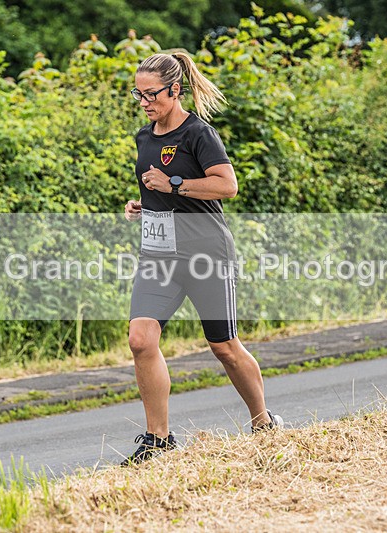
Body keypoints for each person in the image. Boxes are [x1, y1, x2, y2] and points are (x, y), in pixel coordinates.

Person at [121, 51, 282, 465]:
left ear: (175, 90)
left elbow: (227, 186)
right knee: (141, 339)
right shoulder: (144, 136)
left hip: (205, 253)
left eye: (151, 93)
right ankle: (158, 440)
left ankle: (263, 422)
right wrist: (145, 204)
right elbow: (158, 189)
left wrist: (173, 184)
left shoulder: (199, 133)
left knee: (224, 347)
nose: (144, 102)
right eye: (137, 94)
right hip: (159, 254)